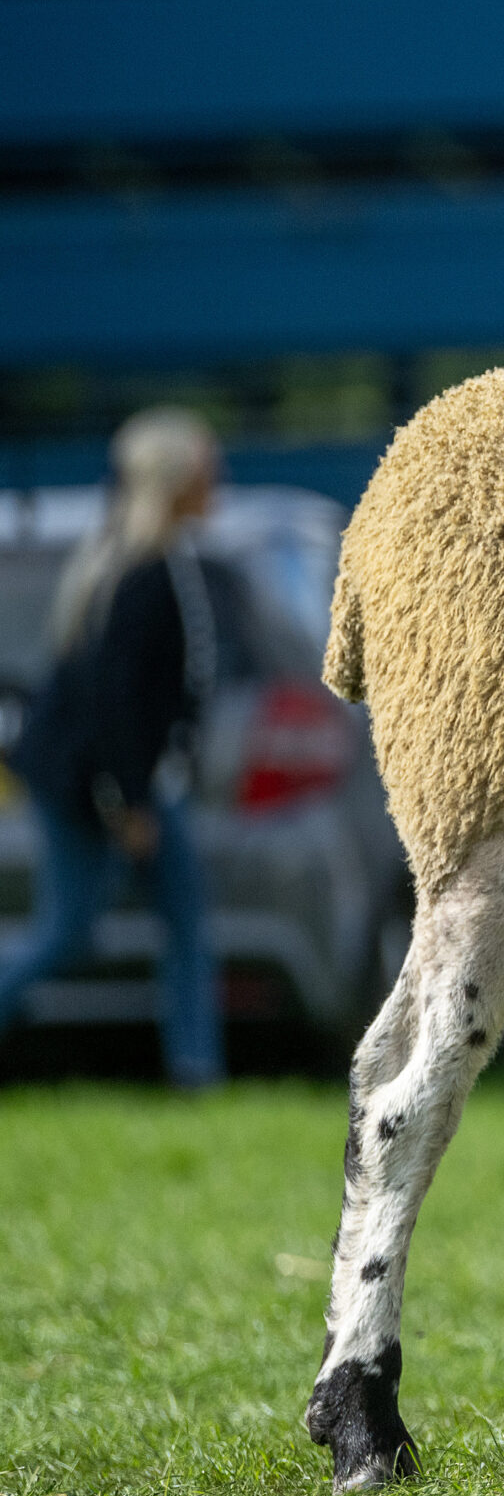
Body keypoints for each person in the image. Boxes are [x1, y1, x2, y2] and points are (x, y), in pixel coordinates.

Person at [0, 407, 225, 1088]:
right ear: (177, 481)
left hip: (136, 780)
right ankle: (195, 1066)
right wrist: (127, 803)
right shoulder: (141, 572)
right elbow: (114, 702)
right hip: (88, 780)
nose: (221, 478)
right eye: (209, 467)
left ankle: (196, 1071)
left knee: (186, 917)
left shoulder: (156, 558)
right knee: (68, 932)